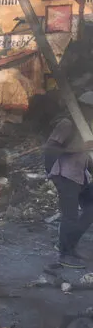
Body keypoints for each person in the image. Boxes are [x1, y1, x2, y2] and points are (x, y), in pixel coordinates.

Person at [44, 93, 93, 269]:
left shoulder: (87, 126)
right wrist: (51, 174)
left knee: (90, 208)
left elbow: (86, 155)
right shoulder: (67, 124)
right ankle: (65, 254)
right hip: (65, 175)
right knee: (70, 215)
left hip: (80, 175)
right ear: (82, 107)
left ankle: (69, 244)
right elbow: (50, 147)